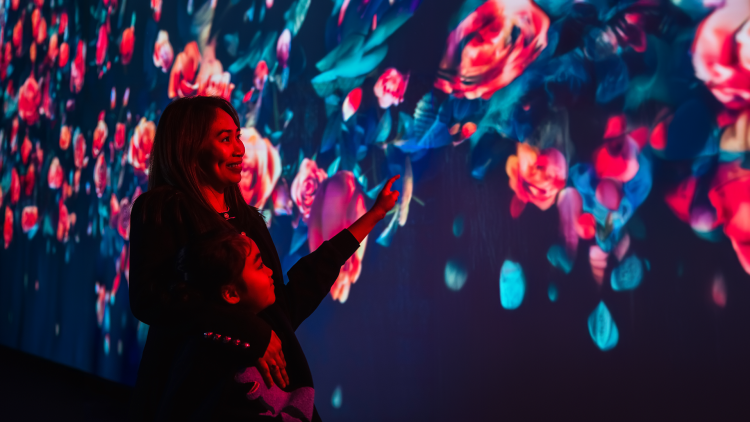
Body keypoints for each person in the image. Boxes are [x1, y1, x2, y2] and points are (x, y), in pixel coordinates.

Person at [128, 96, 399, 421]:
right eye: (225, 139)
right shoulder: (162, 208)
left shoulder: (250, 221)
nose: (240, 149)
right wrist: (249, 331)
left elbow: (281, 309)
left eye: (238, 136)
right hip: (193, 396)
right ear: (190, 146)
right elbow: (149, 300)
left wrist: (370, 218)